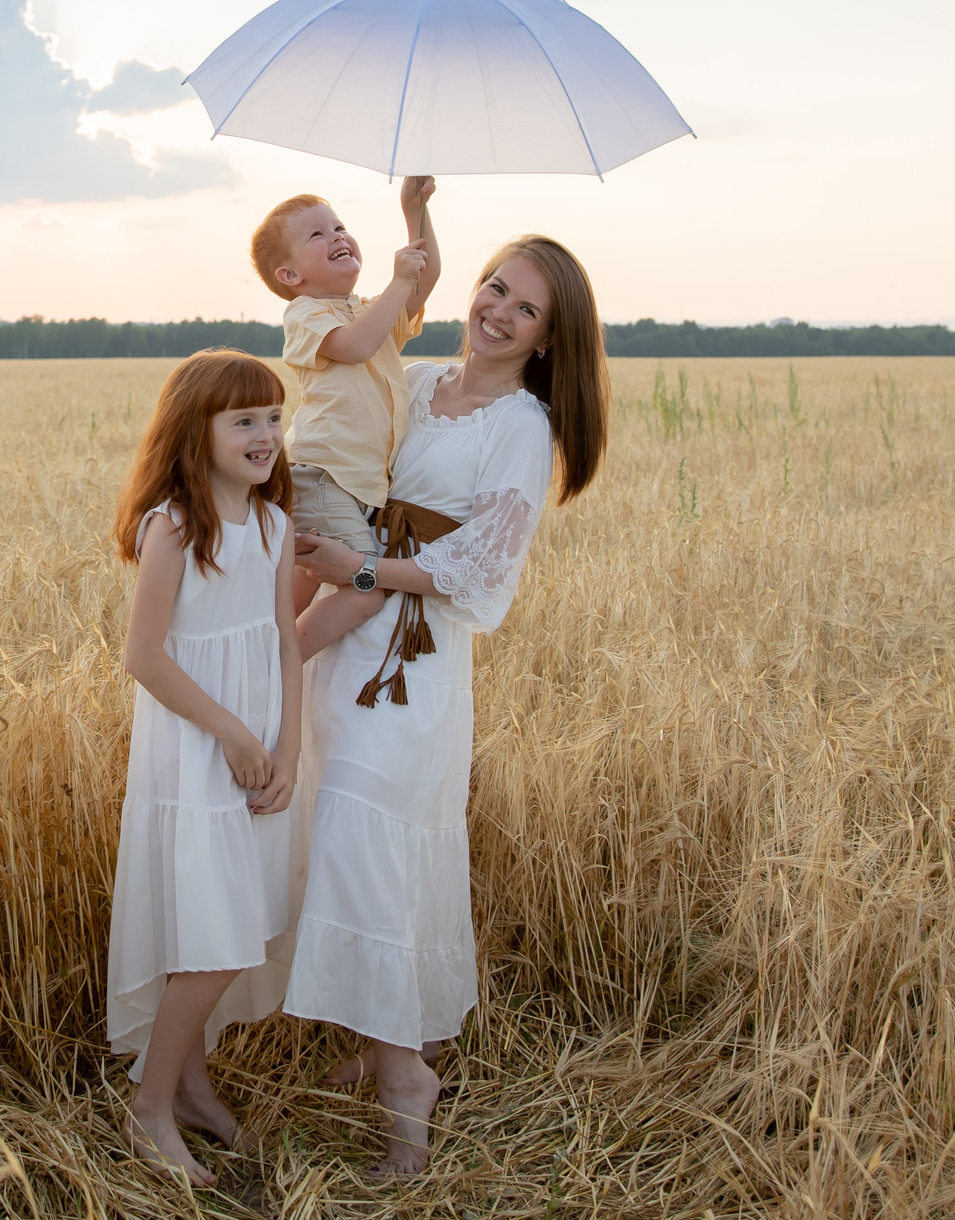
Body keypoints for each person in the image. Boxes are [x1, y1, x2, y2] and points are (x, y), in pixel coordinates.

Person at [284, 234, 609, 1177]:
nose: (498, 313)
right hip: (350, 642)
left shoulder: (521, 425)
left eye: (526, 311)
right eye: (496, 289)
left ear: (548, 339)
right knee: (348, 834)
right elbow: (339, 433)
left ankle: (405, 1092)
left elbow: (484, 563)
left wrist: (363, 568)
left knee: (370, 837)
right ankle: (401, 1036)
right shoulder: (419, 380)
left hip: (412, 662)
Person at [105, 349, 308, 1188]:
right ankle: (148, 1108)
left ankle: (188, 1086)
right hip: (195, 753)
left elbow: (289, 642)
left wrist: (289, 746)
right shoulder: (176, 527)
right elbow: (143, 656)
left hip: (257, 751)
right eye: (244, 420)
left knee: (234, 924)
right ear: (198, 430)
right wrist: (227, 732)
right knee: (216, 939)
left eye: (272, 416)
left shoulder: (273, 525)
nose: (266, 435)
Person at [248, 178, 442, 627]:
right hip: (323, 475)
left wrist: (414, 209)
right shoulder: (304, 314)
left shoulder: (368, 312)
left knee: (293, 593)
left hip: (355, 484)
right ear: (290, 277)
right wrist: (398, 281)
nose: (337, 235)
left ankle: (260, 654)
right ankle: (285, 666)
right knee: (365, 590)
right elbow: (354, 346)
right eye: (317, 234)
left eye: (339, 226)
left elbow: (425, 277)